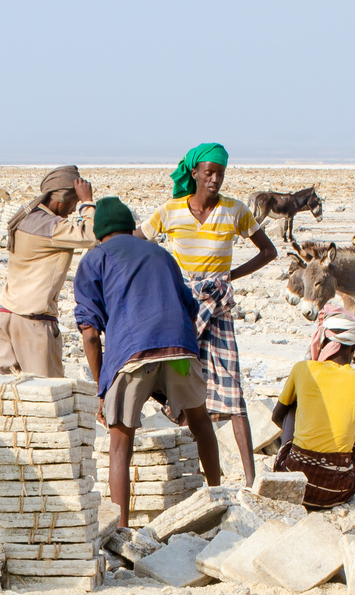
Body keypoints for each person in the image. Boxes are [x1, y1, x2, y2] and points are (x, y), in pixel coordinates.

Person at [74, 197, 222, 528]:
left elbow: (90, 335)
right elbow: (190, 307)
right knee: (200, 421)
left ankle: (121, 530)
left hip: (132, 355)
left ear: (99, 234)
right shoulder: (161, 254)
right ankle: (219, 501)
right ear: (129, 226)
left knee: (120, 443)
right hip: (180, 351)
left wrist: (103, 387)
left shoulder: (94, 259)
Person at [141, 143, 277, 486]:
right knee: (182, 383)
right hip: (182, 305)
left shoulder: (235, 210)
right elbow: (137, 240)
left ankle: (250, 479)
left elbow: (268, 250)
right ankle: (191, 473)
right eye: (209, 173)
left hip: (218, 304)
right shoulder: (170, 211)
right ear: (195, 173)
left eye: (220, 173)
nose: (215, 179)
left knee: (232, 386)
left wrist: (231, 276)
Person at [271, 302, 355, 508]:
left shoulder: (303, 369)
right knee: (353, 422)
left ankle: (294, 457)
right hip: (337, 490)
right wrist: (352, 431)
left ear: (324, 340)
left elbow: (277, 416)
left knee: (294, 405)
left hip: (293, 481)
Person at [0, 166, 97, 377]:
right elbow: (91, 236)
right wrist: (87, 202)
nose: (71, 210)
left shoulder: (26, 218)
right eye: (73, 203)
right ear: (61, 200)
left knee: (4, 395)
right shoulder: (52, 227)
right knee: (46, 395)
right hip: (34, 324)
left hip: (6, 315)